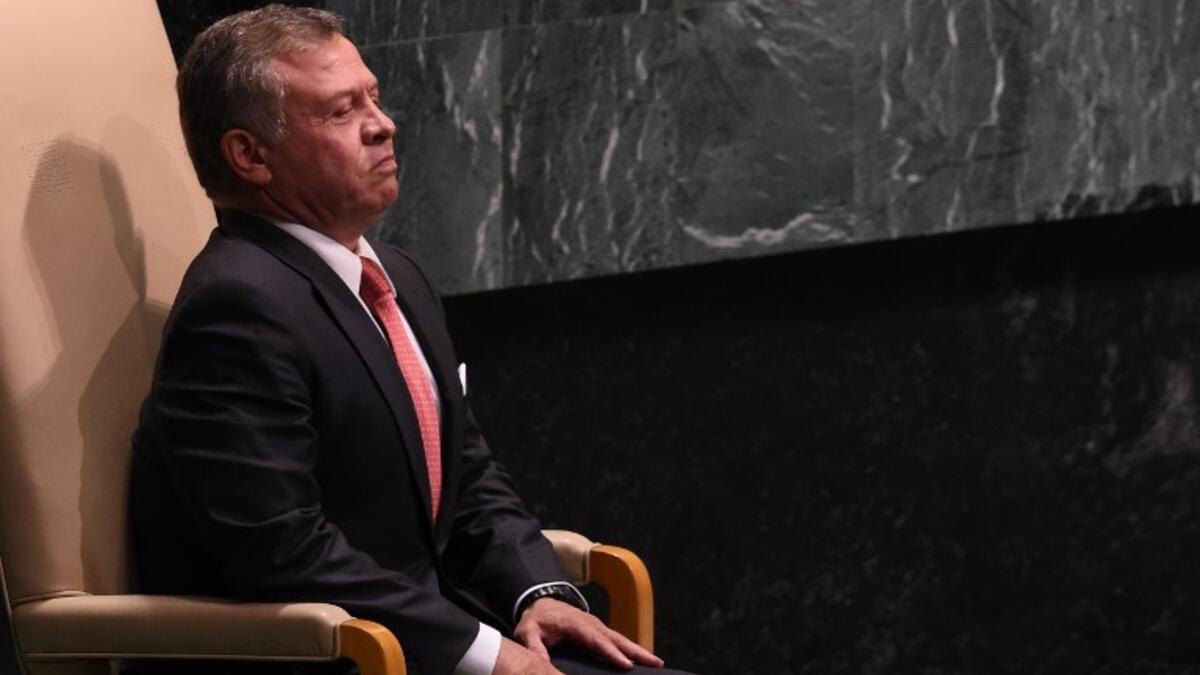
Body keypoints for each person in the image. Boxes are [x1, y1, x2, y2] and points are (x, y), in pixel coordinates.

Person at [129, 5, 692, 675]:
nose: (384, 124)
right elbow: (284, 552)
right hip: (337, 657)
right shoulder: (236, 308)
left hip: (428, 636)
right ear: (249, 155)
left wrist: (534, 590)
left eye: (374, 97)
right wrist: (486, 654)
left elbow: (468, 474)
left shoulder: (394, 274)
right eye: (341, 112)